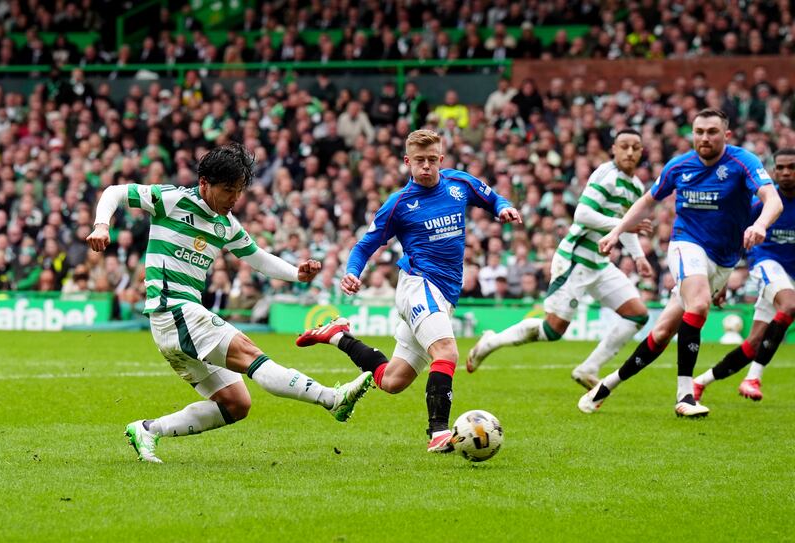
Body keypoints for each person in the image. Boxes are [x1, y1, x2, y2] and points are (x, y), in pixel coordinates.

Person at [87, 144, 373, 464]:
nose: (234, 198)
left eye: (239, 191)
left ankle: (148, 430)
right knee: (250, 353)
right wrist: (101, 224)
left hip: (180, 323)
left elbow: (257, 258)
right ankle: (332, 399)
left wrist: (297, 274)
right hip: (174, 311)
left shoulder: (226, 224)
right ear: (204, 183)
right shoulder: (173, 200)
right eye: (228, 190)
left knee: (236, 404)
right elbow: (116, 192)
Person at [295, 129, 521, 453]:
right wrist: (351, 273)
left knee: (392, 381)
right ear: (407, 162)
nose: (426, 167)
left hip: (445, 293)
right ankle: (439, 432)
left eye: (432, 160)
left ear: (441, 160)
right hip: (418, 284)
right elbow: (364, 245)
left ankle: (337, 335)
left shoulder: (459, 184)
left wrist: (503, 208)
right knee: (446, 352)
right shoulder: (399, 204)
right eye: (419, 161)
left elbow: (492, 197)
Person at [578, 108, 782, 418]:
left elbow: (773, 199)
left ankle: (605, 385)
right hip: (686, 244)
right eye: (699, 131)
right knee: (698, 306)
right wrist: (617, 230)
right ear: (692, 134)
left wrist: (761, 224)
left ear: (726, 135)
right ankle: (685, 395)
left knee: (661, 334)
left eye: (712, 131)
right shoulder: (679, 165)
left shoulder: (743, 162)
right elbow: (647, 201)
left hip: (722, 261)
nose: (704, 137)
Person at [466, 129, 654, 388]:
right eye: (624, 146)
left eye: (635, 147)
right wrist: (624, 224)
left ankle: (588, 369)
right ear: (614, 149)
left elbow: (625, 227)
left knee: (638, 315)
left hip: (599, 264)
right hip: (575, 260)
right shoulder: (606, 175)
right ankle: (491, 341)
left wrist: (638, 255)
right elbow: (583, 215)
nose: (630, 152)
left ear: (642, 151)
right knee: (552, 330)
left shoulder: (635, 186)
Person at [693, 149, 795, 401]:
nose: (785, 172)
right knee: (790, 305)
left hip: (788, 277)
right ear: (773, 172)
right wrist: (725, 279)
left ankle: (700, 382)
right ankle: (753, 378)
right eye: (780, 167)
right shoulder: (762, 204)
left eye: (791, 167)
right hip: (766, 264)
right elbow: (735, 239)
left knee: (754, 343)